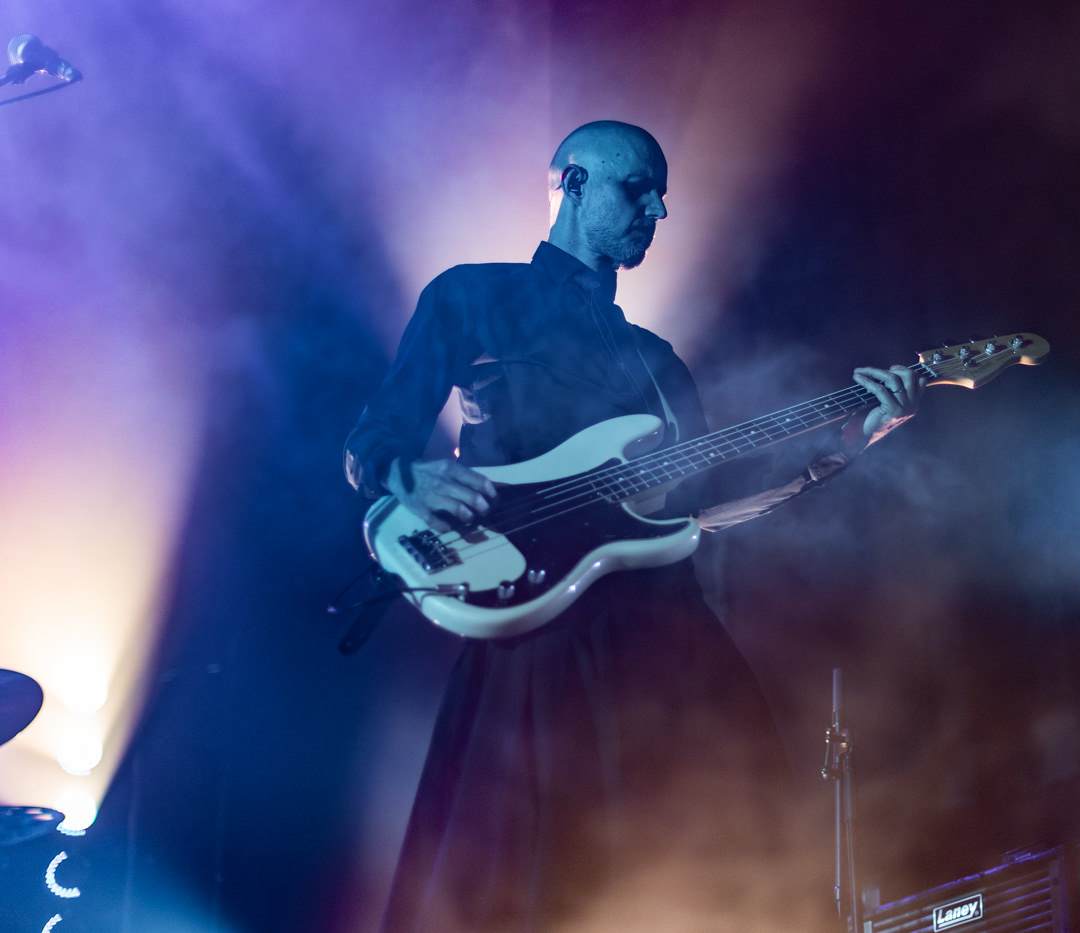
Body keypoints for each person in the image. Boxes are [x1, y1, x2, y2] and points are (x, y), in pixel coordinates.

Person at [345, 120, 921, 932]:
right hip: (537, 621)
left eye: (662, 195)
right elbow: (378, 436)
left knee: (731, 841)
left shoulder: (659, 363)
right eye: (635, 188)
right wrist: (408, 477)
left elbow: (708, 498)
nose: (656, 208)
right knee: (531, 876)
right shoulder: (472, 296)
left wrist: (843, 445)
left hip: (660, 629)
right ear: (572, 185)